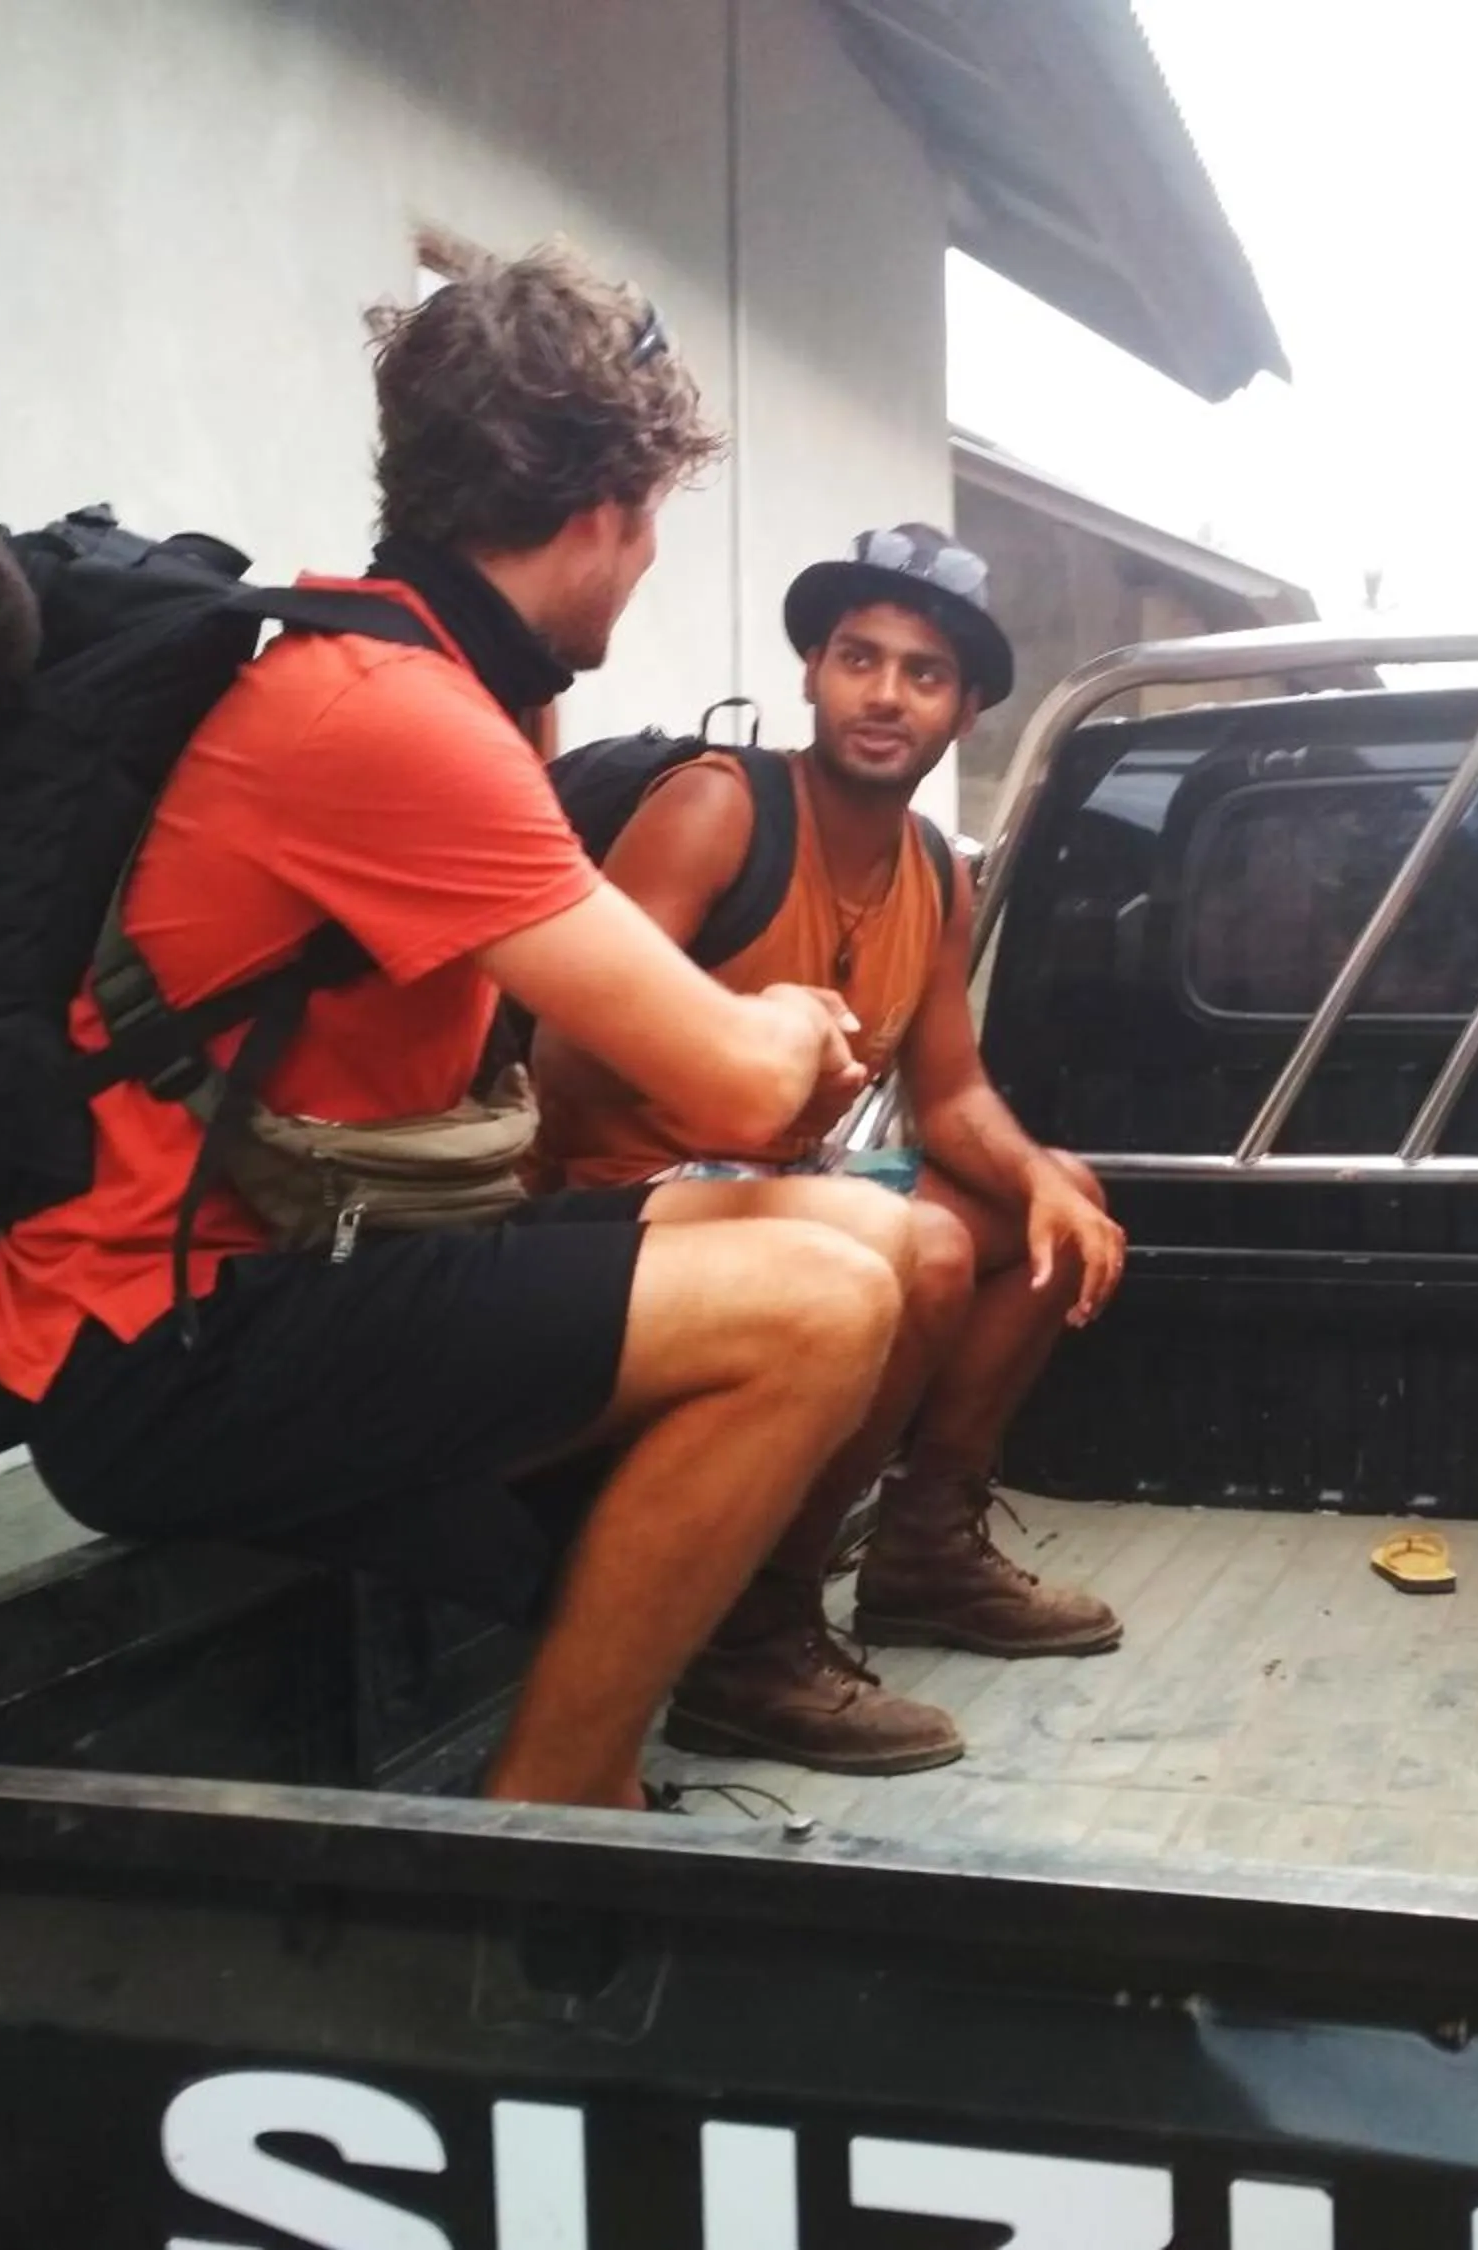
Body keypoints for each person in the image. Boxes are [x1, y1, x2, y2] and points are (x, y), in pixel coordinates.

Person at [0, 243, 917, 1813]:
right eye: (656, 525)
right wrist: (799, 1021)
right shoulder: (390, 719)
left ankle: (687, 1658)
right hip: (168, 1341)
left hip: (312, 1271)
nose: (645, 562)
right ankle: (557, 1813)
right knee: (817, 1299)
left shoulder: (438, 680)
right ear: (614, 505)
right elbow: (746, 1090)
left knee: (871, 1244)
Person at [534, 525, 1128, 1776]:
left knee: (1048, 1205)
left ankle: (921, 1555)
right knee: (909, 1241)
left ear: (964, 708)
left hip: (776, 1192)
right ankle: (748, 1643)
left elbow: (953, 1090)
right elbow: (565, 1060)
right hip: (619, 1202)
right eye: (860, 658)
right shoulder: (715, 807)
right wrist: (738, 1090)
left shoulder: (934, 871)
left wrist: (1036, 1183)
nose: (885, 694)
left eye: (923, 673)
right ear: (812, 669)